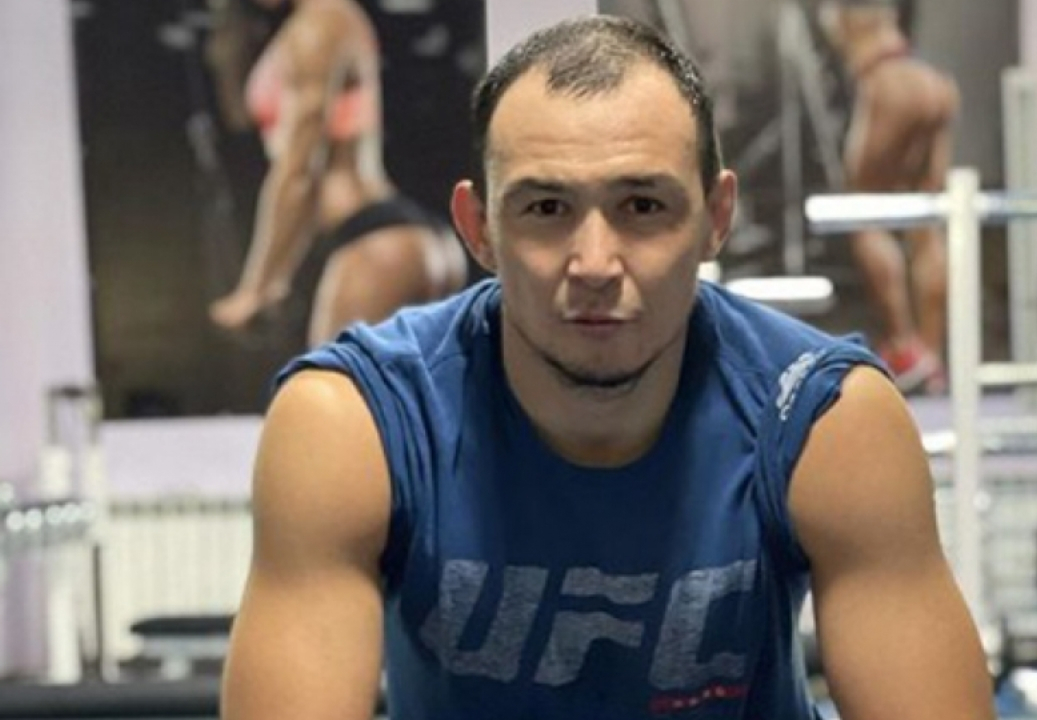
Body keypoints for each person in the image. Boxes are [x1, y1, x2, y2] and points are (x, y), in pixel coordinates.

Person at [221, 15, 995, 720]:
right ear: (478, 228)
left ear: (716, 217)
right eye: (546, 209)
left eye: (643, 206)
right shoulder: (355, 422)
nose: (594, 264)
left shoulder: (826, 418)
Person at [206, 0, 466, 347]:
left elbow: (300, 171)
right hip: (395, 239)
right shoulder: (314, 25)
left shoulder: (319, 24)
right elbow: (239, 119)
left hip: (375, 241)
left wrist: (257, 287)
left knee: (328, 382)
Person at [818, 0, 960, 394]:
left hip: (887, 81)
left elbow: (837, 29)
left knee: (861, 211)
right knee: (927, 219)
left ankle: (904, 345)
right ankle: (930, 355)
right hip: (930, 81)